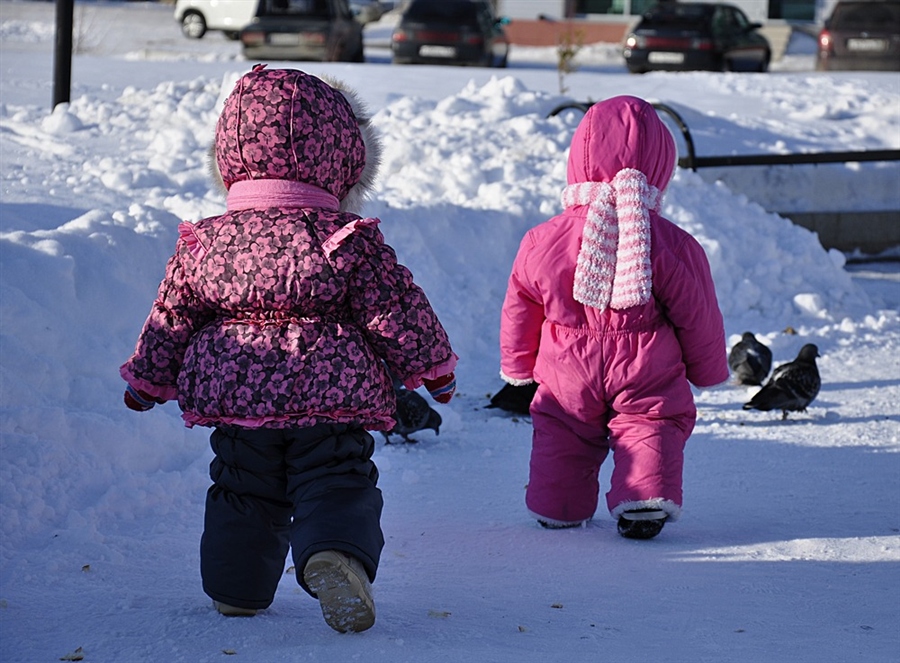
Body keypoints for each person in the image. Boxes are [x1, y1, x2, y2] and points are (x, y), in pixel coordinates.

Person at [120, 66, 457, 632]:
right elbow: (394, 307)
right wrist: (431, 368)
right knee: (335, 476)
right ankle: (335, 553)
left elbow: (172, 315)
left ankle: (237, 589)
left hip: (238, 392)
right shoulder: (343, 237)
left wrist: (147, 379)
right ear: (342, 159)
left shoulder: (207, 241)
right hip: (329, 391)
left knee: (241, 484)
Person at [499, 95, 727, 540]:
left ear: (578, 160)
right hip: (645, 365)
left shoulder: (543, 239)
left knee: (562, 427)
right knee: (651, 422)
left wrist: (519, 365)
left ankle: (557, 506)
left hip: (567, 366)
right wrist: (708, 368)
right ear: (661, 168)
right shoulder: (672, 243)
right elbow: (697, 313)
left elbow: (521, 304)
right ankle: (644, 500)